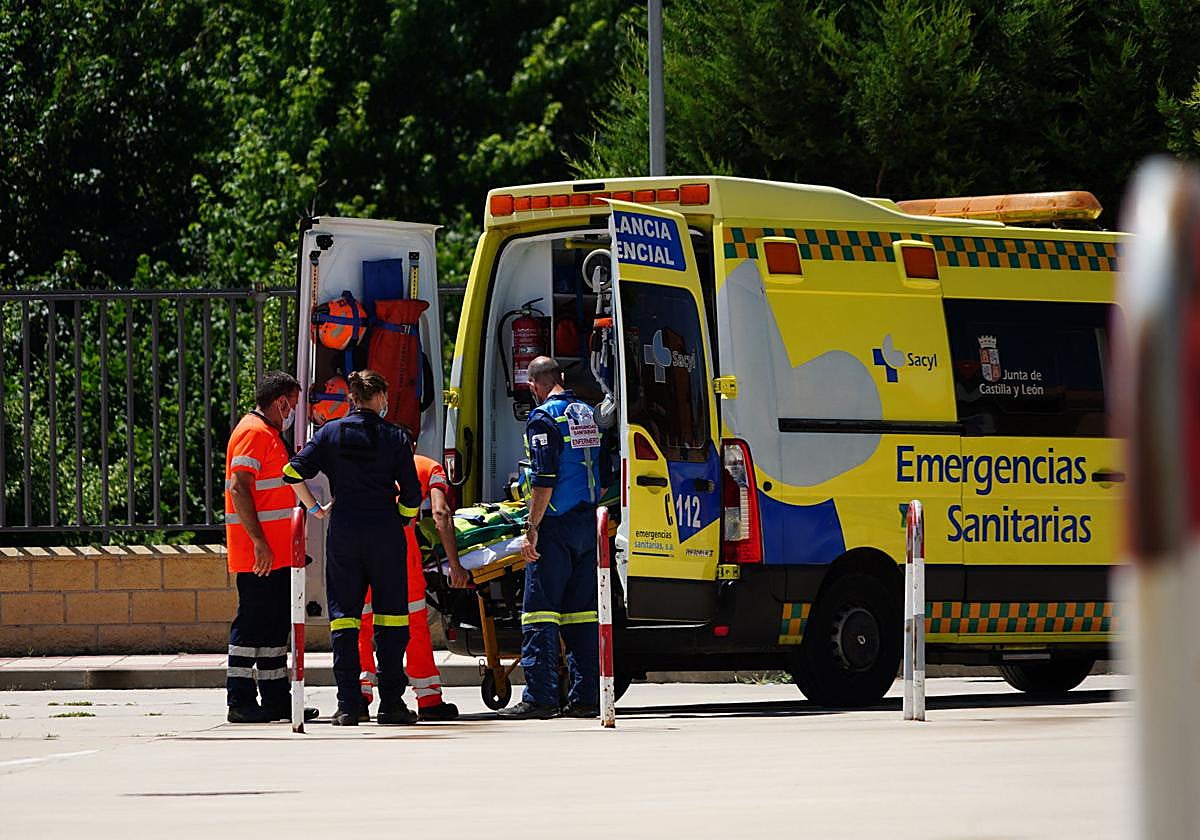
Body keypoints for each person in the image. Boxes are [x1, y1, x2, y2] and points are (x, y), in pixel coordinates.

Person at [283, 369, 422, 726]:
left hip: (344, 531)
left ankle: (348, 706)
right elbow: (411, 495)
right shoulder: (395, 436)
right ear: (378, 398)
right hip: (385, 533)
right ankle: (391, 704)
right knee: (392, 619)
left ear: (352, 399)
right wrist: (403, 520)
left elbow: (292, 472)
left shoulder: (330, 433)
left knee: (344, 619)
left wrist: (314, 509)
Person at [497, 356, 601, 719]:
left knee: (539, 612)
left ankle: (540, 698)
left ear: (534, 385)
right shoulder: (585, 413)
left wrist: (532, 528)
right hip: (587, 524)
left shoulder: (543, 417)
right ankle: (587, 697)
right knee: (581, 615)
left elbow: (544, 477)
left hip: (554, 525)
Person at [223, 370, 319, 724]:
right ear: (280, 402)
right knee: (252, 626)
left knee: (275, 629)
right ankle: (241, 700)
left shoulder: (268, 434)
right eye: (292, 405)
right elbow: (239, 487)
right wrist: (261, 543)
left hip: (276, 555)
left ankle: (277, 699)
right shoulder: (252, 433)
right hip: (259, 556)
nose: (293, 411)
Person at [358, 451, 467, 722]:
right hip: (401, 556)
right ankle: (428, 699)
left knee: (363, 624)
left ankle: (358, 697)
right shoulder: (428, 466)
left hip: (362, 553)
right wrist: (454, 565)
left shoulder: (364, 460)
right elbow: (440, 512)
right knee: (414, 626)